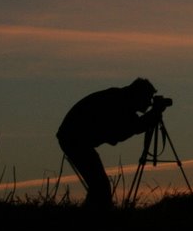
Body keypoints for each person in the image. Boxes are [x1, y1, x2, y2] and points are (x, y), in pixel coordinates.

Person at [57, 77, 164, 208]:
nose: (149, 103)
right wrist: (152, 116)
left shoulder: (121, 100)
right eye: (148, 98)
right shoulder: (119, 102)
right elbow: (125, 131)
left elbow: (129, 128)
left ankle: (96, 211)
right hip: (74, 139)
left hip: (75, 138)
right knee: (100, 184)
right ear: (138, 95)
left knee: (98, 184)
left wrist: (150, 117)